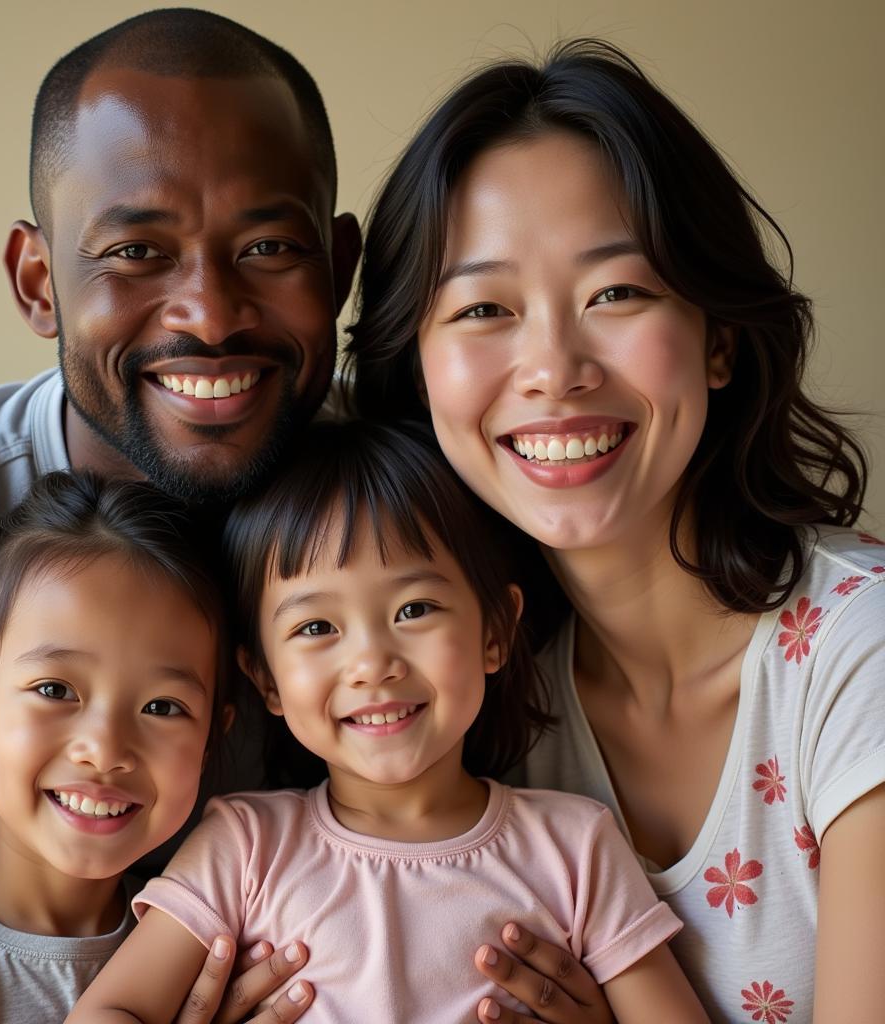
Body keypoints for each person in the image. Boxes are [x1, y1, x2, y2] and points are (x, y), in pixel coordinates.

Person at [347, 39, 885, 1023]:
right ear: (415, 379)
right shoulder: (471, 702)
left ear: (717, 339)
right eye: (483, 308)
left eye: (616, 292)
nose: (553, 366)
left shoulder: (860, 653)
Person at [0, 8, 360, 1020]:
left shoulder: (405, 516)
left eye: (268, 245)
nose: (210, 314)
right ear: (39, 280)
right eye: (137, 251)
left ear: (339, 270)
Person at [67, 419, 708, 1024]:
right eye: (317, 627)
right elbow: (108, 1009)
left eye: (415, 608)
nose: (372, 663)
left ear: (495, 630)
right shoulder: (244, 847)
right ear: (265, 678)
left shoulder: (576, 848)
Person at [0, 472, 235, 1022]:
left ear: (214, 734)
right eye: (54, 690)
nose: (104, 748)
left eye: (163, 707)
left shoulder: (205, 944)